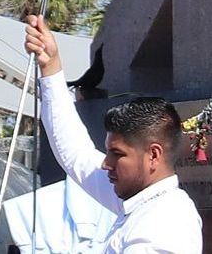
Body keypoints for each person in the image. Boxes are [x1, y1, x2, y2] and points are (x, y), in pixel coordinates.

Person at [24, 14, 202, 254]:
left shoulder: (166, 221)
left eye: (117, 154)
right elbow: (76, 154)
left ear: (153, 155)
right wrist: (50, 66)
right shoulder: (141, 198)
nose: (106, 163)